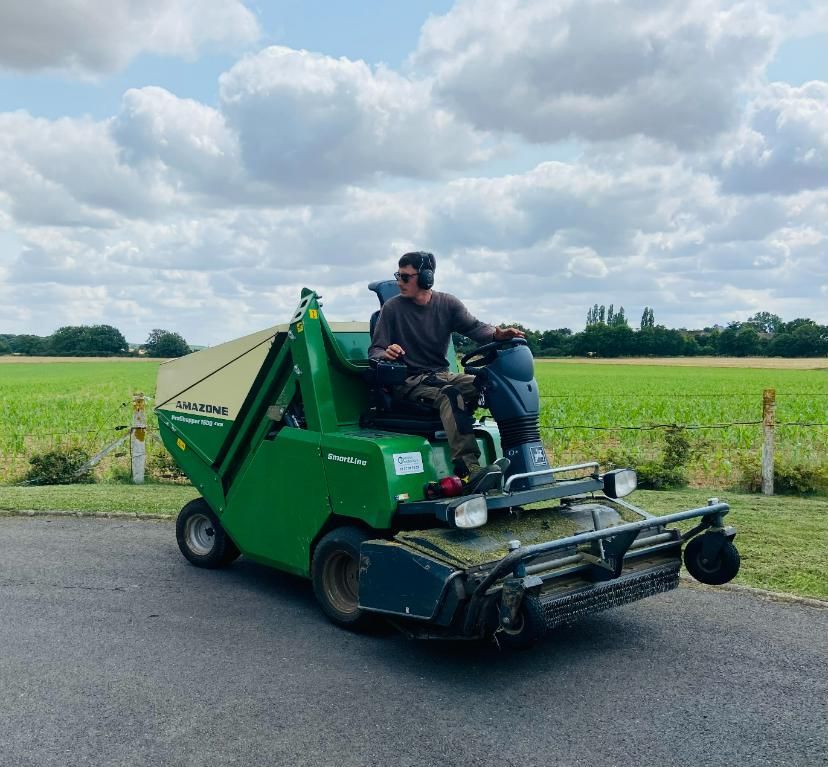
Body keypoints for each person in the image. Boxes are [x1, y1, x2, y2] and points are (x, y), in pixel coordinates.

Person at [368, 251, 525, 491]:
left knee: (491, 383)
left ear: (426, 278)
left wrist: (498, 334)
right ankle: (469, 470)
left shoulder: (447, 304)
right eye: (398, 275)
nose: (399, 282)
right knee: (451, 394)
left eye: (406, 277)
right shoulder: (392, 309)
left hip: (441, 375)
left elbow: (475, 328)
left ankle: (518, 457)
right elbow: (375, 350)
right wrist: (386, 353)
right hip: (410, 381)